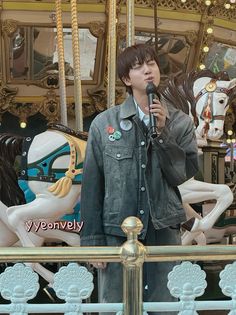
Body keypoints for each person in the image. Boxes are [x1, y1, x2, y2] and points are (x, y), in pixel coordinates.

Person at [80, 43, 199, 314]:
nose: (148, 71)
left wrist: (163, 132)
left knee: (163, 305)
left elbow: (182, 174)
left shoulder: (180, 122)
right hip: (116, 233)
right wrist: (92, 241)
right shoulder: (104, 123)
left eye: (152, 64)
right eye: (138, 67)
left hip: (163, 230)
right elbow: (92, 185)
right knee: (116, 306)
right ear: (126, 79)